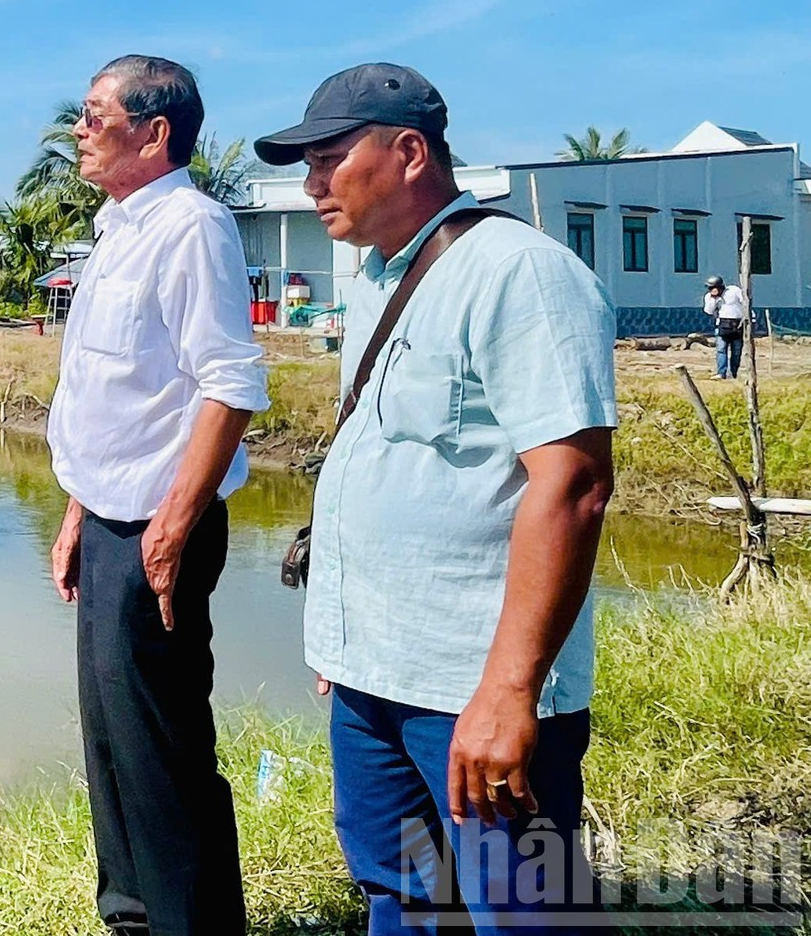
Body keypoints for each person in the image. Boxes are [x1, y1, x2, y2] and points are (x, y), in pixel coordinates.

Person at [255, 63, 616, 936]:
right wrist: (343, 638)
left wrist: (509, 691)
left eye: (329, 159)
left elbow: (571, 487)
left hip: (471, 685)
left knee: (523, 915)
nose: (310, 185)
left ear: (409, 152)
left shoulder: (519, 274)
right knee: (400, 895)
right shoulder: (374, 278)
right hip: (372, 676)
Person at [47, 54, 269, 936]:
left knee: (163, 749)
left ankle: (193, 925)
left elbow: (230, 386)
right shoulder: (118, 228)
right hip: (107, 523)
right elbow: (111, 396)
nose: (79, 128)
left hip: (155, 532)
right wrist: (74, 511)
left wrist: (171, 532)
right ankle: (131, 916)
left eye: (95, 115)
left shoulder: (192, 226)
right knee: (110, 739)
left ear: (154, 132)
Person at [704, 274, 747, 380]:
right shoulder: (709, 297)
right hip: (722, 325)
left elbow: (745, 302)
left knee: (736, 351)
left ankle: (733, 373)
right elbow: (708, 311)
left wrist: (750, 317)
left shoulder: (733, 290)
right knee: (721, 350)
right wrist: (714, 299)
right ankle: (721, 372)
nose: (712, 290)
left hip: (737, 324)